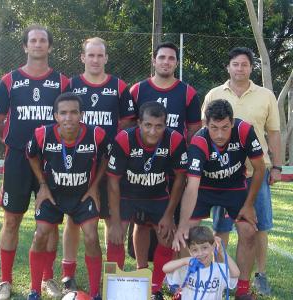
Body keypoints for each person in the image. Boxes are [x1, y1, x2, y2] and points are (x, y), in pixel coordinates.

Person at [0, 25, 70, 299]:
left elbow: (69, 119)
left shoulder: (63, 82)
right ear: (25, 47)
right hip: (17, 158)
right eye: (33, 41)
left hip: (50, 160)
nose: (38, 44)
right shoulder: (9, 80)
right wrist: (4, 147)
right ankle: (4, 281)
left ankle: (48, 278)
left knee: (49, 222)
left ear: (49, 47)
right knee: (11, 219)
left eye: (43, 41)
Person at [202, 47, 282, 296]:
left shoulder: (266, 95)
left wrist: (277, 166)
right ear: (228, 67)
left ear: (251, 68)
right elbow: (205, 134)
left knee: (259, 226)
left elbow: (274, 133)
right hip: (223, 176)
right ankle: (221, 274)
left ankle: (260, 275)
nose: (240, 68)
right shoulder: (214, 94)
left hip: (255, 173)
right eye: (235, 64)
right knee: (221, 228)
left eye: (244, 64)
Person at [61, 37, 137, 292]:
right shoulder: (70, 85)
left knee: (109, 216)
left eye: (99, 55)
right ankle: (67, 273)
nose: (95, 60)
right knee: (73, 218)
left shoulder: (118, 86)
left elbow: (128, 119)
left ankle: (111, 275)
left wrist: (110, 142)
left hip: (109, 162)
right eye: (90, 55)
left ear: (106, 58)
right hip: (77, 163)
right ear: (82, 58)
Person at [173, 99, 266, 300]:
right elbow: (192, 187)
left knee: (249, 230)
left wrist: (249, 205)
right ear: (206, 124)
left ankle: (241, 290)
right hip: (204, 188)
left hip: (234, 188)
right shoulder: (199, 141)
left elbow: (260, 168)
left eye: (225, 127)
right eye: (214, 128)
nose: (220, 134)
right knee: (185, 232)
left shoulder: (244, 131)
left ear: (232, 122)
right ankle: (187, 287)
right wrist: (182, 224)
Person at [26, 92, 109, 300]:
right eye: (63, 113)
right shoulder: (41, 134)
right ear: (55, 116)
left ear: (81, 114)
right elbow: (31, 155)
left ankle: (95, 293)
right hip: (53, 195)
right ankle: (35, 290)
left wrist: (94, 186)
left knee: (91, 236)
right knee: (40, 235)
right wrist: (43, 185)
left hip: (82, 196)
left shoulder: (96, 134)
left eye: (73, 112)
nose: (68, 118)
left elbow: (106, 157)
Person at [129, 41, 201, 270]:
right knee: (141, 223)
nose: (166, 62)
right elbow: (130, 128)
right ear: (154, 60)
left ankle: (163, 278)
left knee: (168, 224)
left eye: (171, 58)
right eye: (162, 57)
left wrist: (185, 161)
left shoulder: (188, 92)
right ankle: (142, 272)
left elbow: (193, 131)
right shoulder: (137, 90)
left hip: (172, 169)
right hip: (142, 169)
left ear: (176, 63)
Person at [107, 101, 188, 300]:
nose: (153, 131)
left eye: (159, 126)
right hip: (127, 195)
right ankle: (116, 287)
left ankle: (154, 288)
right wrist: (116, 222)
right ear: (139, 123)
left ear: (165, 125)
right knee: (115, 237)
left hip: (157, 195)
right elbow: (112, 182)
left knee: (166, 236)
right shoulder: (125, 139)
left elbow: (180, 179)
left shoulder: (175, 140)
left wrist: (169, 215)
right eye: (148, 125)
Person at [164, 226, 240, 300]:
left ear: (213, 246)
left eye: (204, 248)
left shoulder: (219, 270)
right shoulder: (187, 268)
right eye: (195, 250)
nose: (200, 253)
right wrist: (184, 261)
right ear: (190, 251)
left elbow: (236, 273)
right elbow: (165, 268)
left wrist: (222, 252)